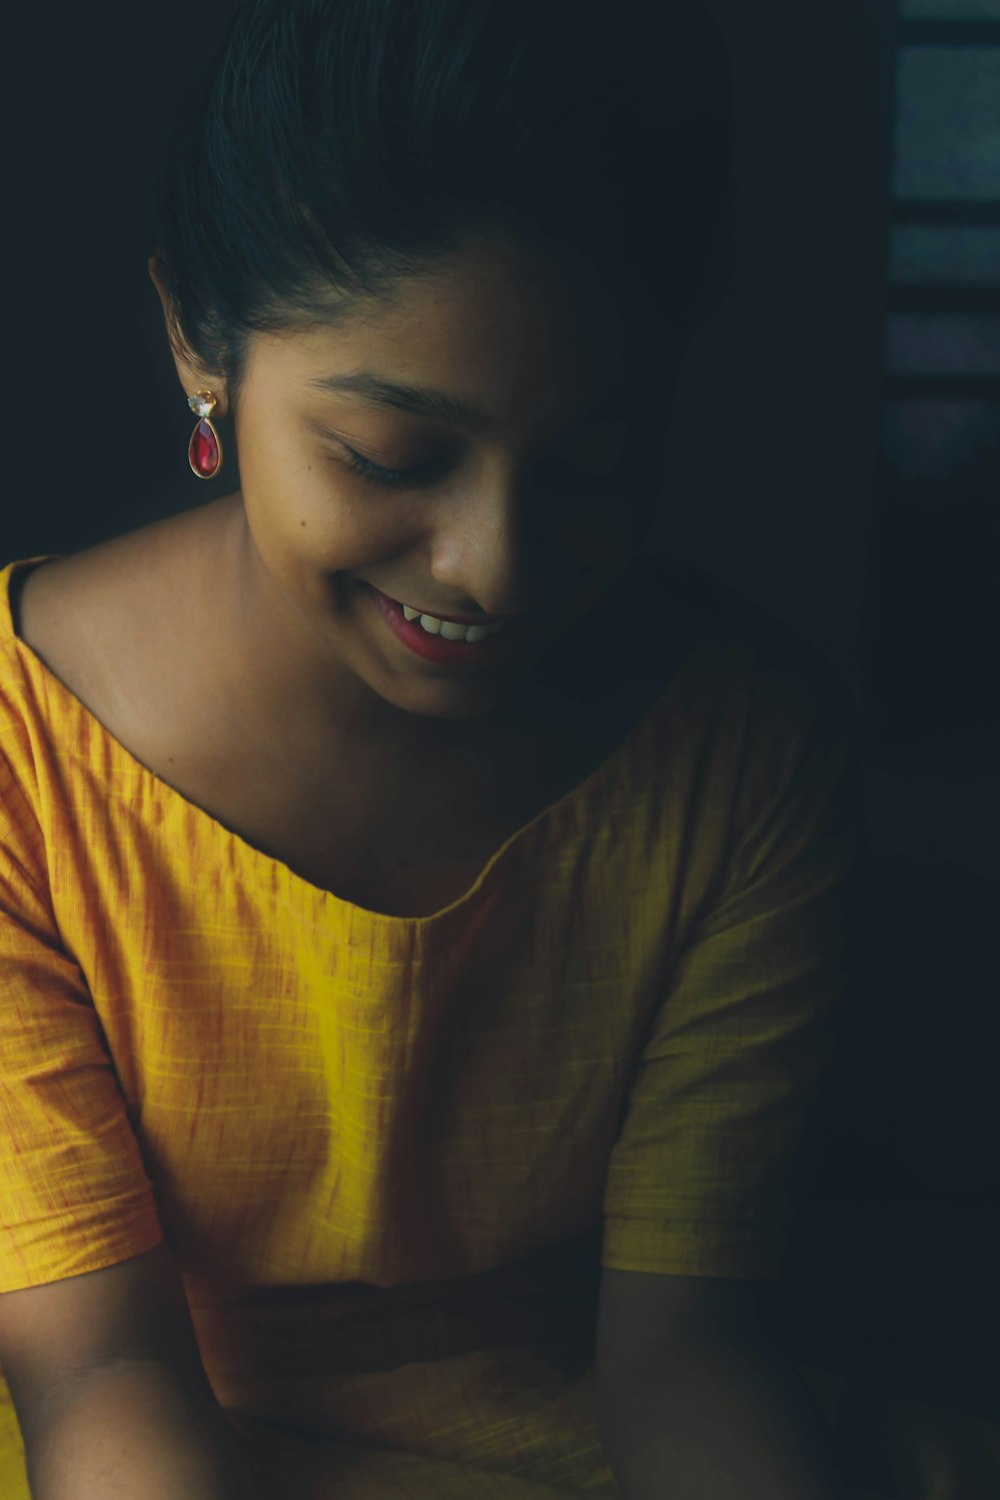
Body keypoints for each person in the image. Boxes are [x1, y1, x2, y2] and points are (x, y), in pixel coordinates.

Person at [0, 2, 865, 1495]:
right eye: (391, 458)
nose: (495, 569)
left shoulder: (737, 755)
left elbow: (686, 1350)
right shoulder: (23, 765)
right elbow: (101, 1373)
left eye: (591, 468)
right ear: (202, 343)